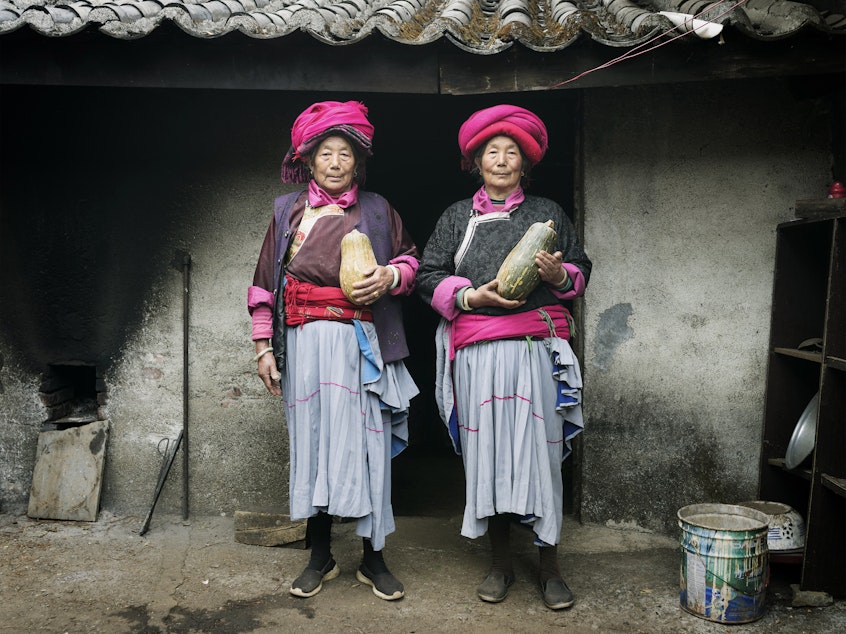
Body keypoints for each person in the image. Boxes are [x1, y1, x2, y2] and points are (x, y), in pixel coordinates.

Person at [416, 104, 591, 610]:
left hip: (536, 348)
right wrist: (473, 296)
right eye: (491, 151)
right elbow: (427, 276)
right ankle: (500, 563)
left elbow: (580, 269)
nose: (500, 159)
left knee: (540, 456)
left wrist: (559, 277)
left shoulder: (547, 214)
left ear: (524, 165)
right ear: (476, 161)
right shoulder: (456, 217)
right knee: (487, 455)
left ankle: (551, 566)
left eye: (511, 152)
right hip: (478, 353)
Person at [248, 101, 419, 601]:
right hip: (303, 344)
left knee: (367, 448)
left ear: (357, 162)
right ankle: (319, 556)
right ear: (309, 160)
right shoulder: (288, 212)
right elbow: (263, 287)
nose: (336, 162)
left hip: (359, 343)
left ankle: (373, 558)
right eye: (327, 153)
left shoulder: (378, 210)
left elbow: (412, 263)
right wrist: (264, 347)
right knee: (314, 442)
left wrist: (389, 275)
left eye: (345, 153)